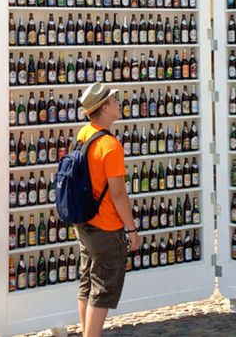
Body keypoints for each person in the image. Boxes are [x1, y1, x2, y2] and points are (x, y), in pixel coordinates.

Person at [74, 82, 138, 337]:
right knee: (103, 287)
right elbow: (119, 194)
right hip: (106, 226)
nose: (118, 103)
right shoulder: (110, 146)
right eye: (113, 100)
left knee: (87, 280)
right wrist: (131, 229)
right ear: (103, 108)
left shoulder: (83, 134)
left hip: (84, 220)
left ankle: (86, 332)